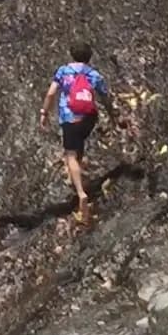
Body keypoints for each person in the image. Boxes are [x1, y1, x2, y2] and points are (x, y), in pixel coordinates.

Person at [39, 39, 124, 223]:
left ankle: (80, 193)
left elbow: (51, 93)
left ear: (72, 54)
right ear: (89, 57)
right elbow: (105, 98)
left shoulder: (63, 71)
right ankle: (77, 170)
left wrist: (44, 112)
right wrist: (113, 116)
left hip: (70, 119)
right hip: (89, 118)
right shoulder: (94, 75)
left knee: (69, 154)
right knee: (79, 145)